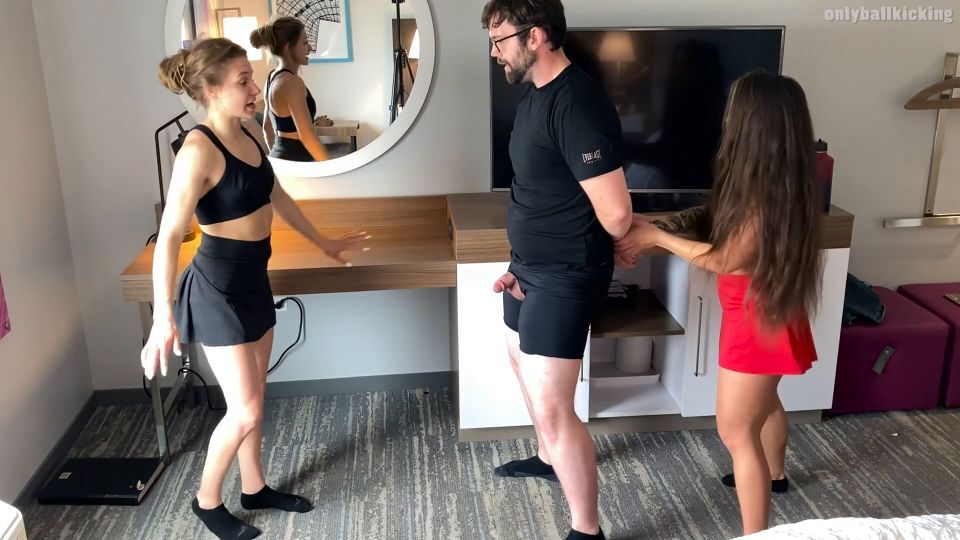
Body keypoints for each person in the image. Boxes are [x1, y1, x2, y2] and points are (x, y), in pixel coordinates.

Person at [147, 38, 366, 539]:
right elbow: (169, 237)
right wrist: (162, 316)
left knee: (256, 398)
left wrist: (325, 244)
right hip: (216, 291)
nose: (255, 89)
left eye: (252, 77)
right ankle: (206, 501)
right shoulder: (197, 150)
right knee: (244, 409)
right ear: (210, 90)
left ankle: (254, 487)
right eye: (243, 81)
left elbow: (277, 195)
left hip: (253, 281)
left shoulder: (249, 131)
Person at [615, 71, 824, 535]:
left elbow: (727, 259)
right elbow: (711, 219)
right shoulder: (779, 180)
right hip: (772, 310)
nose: (727, 118)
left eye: (734, 111)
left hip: (756, 323)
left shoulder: (764, 197)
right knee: (765, 403)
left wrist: (656, 238)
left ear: (753, 124)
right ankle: (776, 474)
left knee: (736, 432)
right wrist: (659, 229)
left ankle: (756, 532)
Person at [481, 1, 633, 538]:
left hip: (567, 272)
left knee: (553, 405)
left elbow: (617, 214)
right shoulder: (534, 96)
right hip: (528, 266)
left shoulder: (576, 104)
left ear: (536, 36)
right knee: (521, 365)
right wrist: (521, 260)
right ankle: (548, 458)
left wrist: (612, 240)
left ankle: (587, 529)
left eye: (500, 40)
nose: (495, 52)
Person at [250, 17, 328, 161]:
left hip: (280, 158)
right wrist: (330, 168)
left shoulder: (271, 77)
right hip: (299, 160)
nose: (310, 48)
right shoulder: (292, 82)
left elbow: (267, 128)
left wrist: (279, 162)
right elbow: (307, 136)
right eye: (305, 42)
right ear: (288, 47)